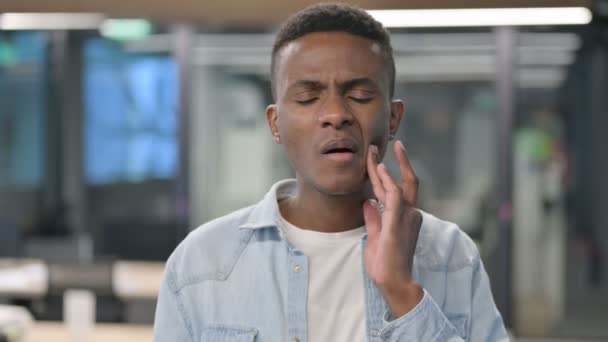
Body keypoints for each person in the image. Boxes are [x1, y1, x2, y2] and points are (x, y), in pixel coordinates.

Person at [153, 3, 508, 341]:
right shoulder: (200, 264)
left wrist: (402, 292)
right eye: (308, 98)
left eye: (360, 95)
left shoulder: (451, 256)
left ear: (394, 118)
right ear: (275, 124)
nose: (336, 114)